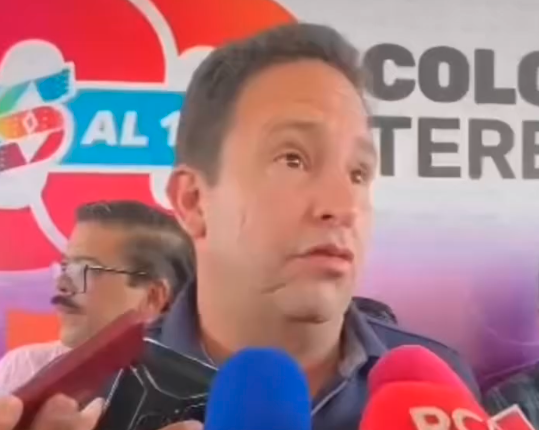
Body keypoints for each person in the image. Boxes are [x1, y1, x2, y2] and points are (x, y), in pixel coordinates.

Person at [0, 22, 479, 430]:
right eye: (293, 159)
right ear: (193, 201)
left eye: (358, 173)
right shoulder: (83, 404)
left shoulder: (440, 391)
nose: (342, 206)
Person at [0, 200, 192, 393]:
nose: (62, 284)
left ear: (153, 298)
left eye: (86, 269)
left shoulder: (198, 397)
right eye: (66, 267)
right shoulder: (22, 370)